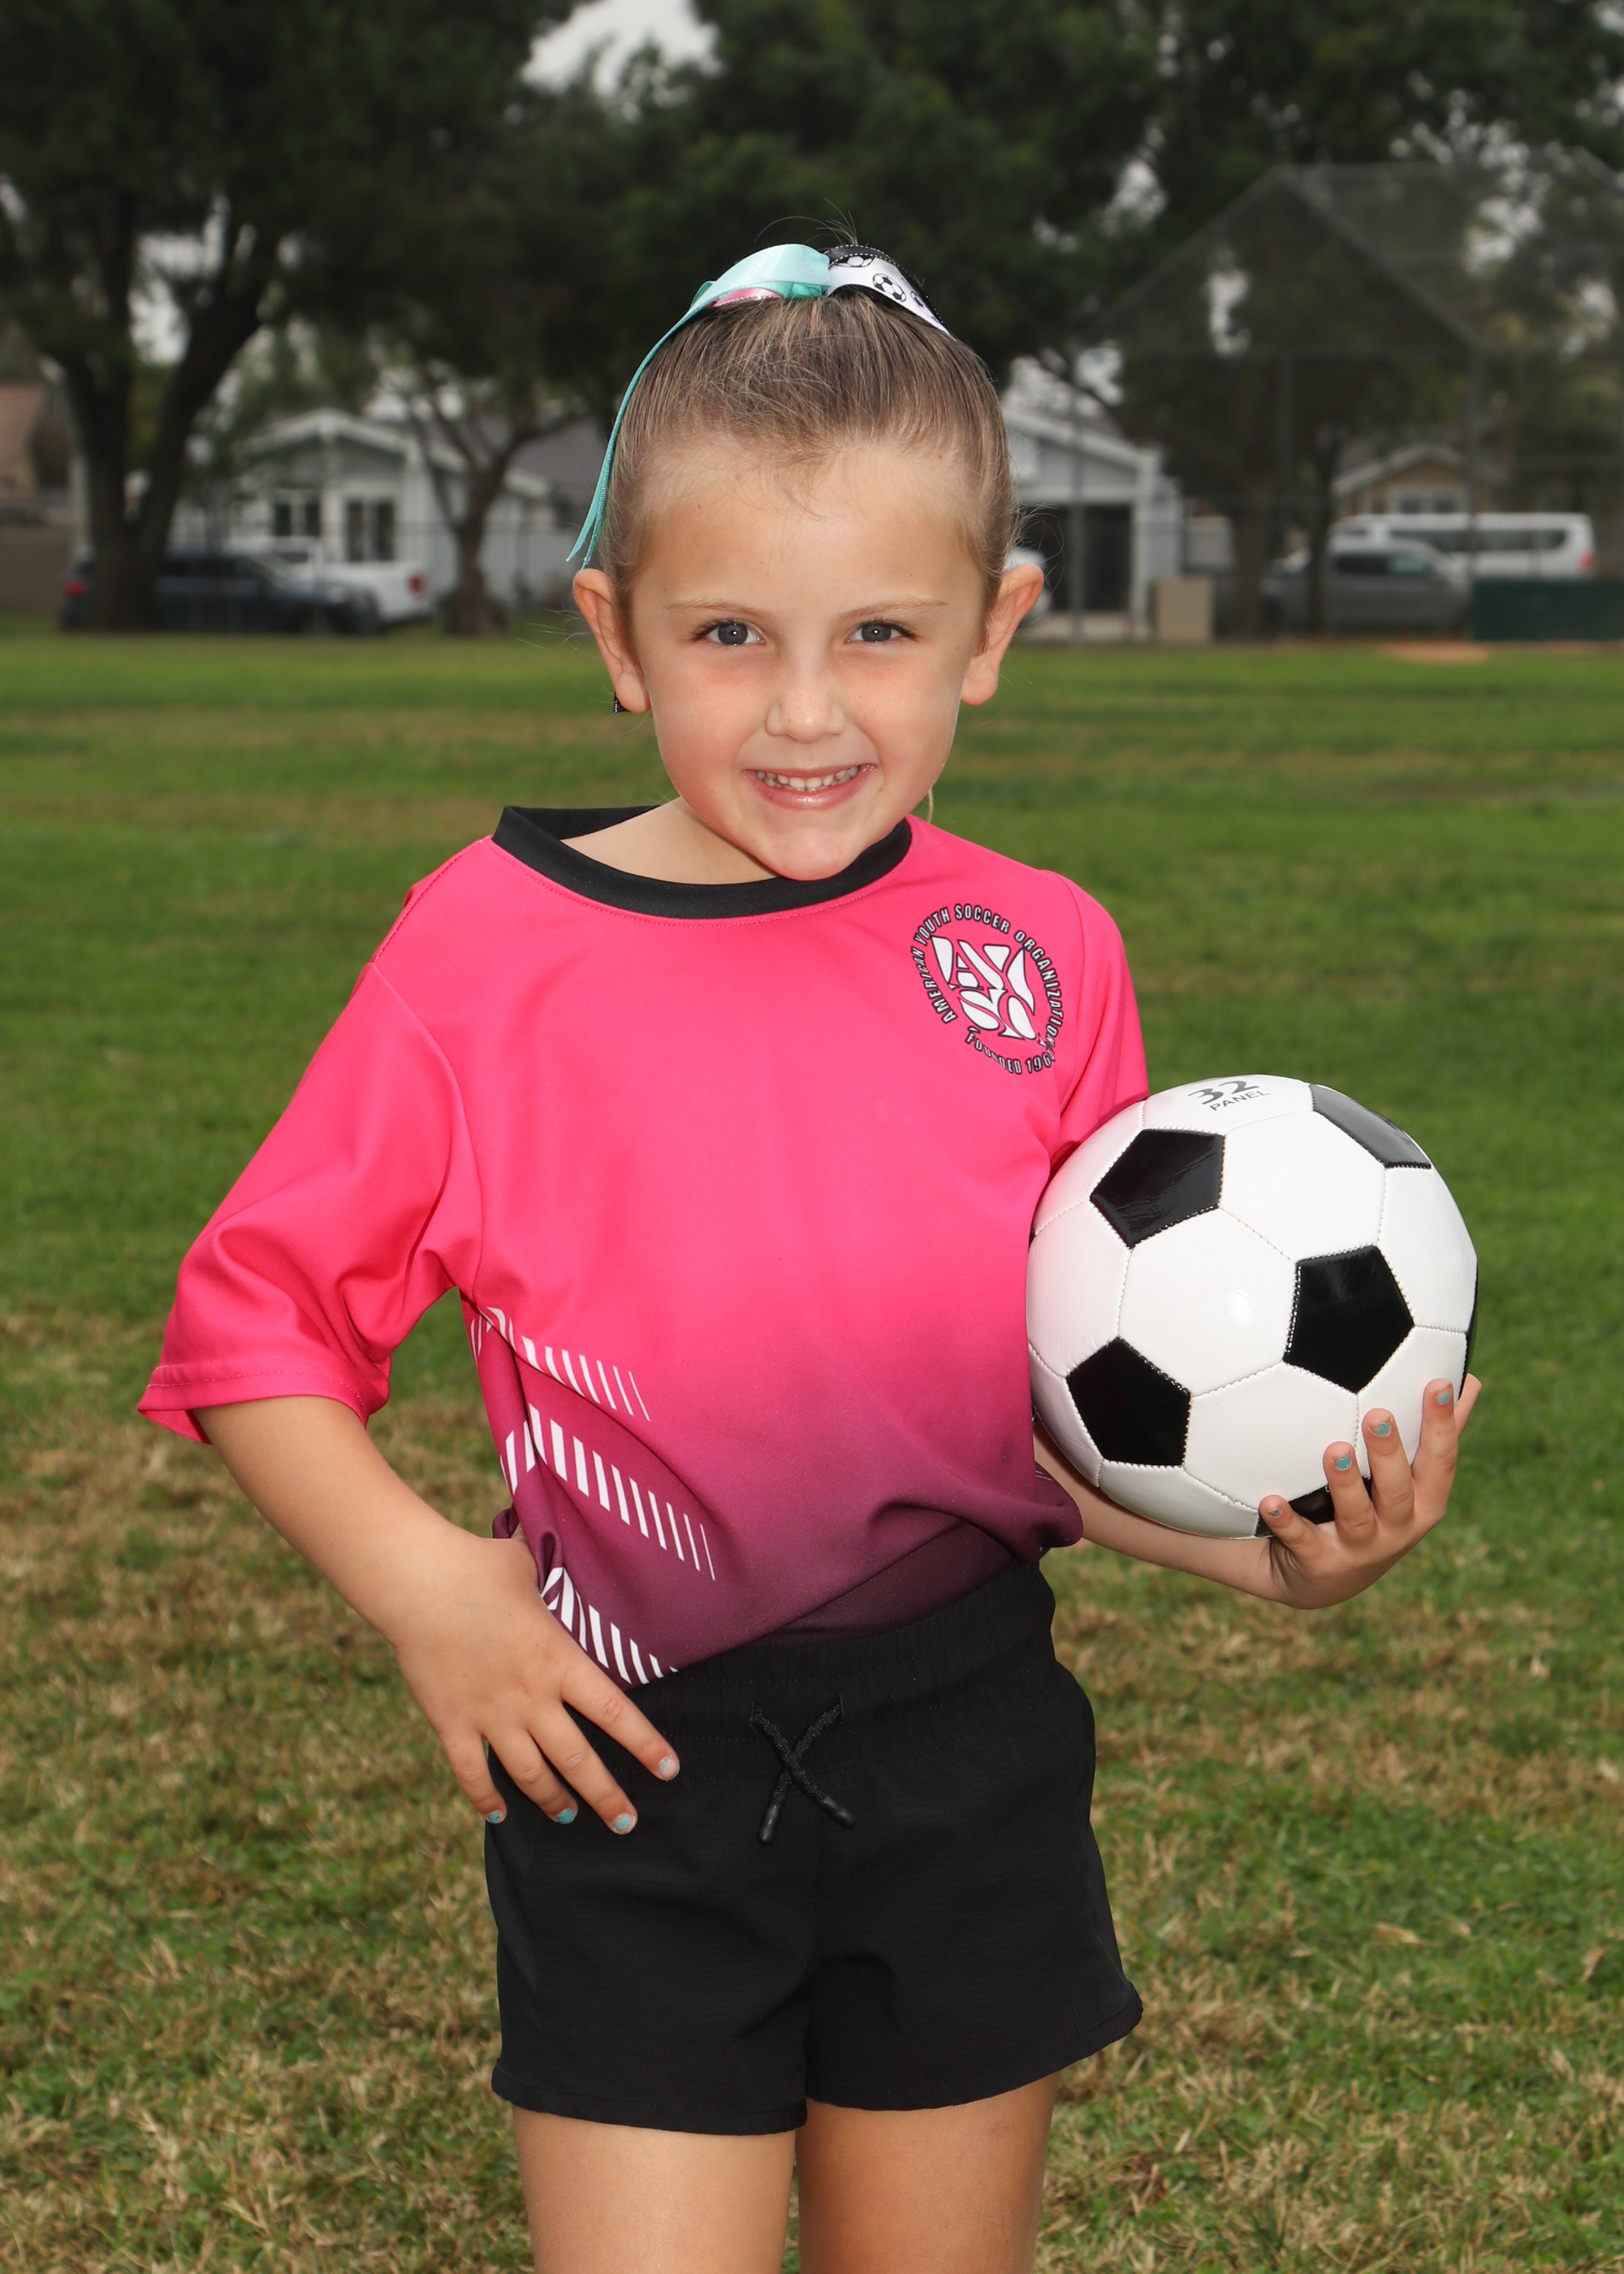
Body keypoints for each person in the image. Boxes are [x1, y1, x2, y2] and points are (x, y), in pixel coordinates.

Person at [139, 244, 1478, 2274]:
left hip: (967, 1759)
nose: (801, 709)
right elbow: (251, 1323)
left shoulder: (1044, 953)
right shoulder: (482, 954)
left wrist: (1269, 1556)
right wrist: (431, 1594)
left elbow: (1058, 1418)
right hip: (628, 1760)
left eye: (877, 632)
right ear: (616, 633)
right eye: (726, 632)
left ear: (992, 631)